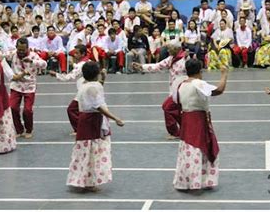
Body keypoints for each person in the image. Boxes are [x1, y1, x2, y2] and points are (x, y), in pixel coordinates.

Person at [66, 62, 124, 191]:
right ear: (96, 74)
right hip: (92, 120)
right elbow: (98, 106)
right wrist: (116, 118)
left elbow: (96, 89)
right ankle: (89, 182)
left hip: (85, 120)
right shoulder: (93, 87)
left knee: (84, 151)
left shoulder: (85, 85)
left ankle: (81, 179)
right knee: (93, 151)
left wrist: (103, 78)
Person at [172, 60, 228, 190]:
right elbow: (218, 90)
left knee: (188, 148)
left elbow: (175, 102)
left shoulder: (181, 84)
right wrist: (224, 74)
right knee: (199, 148)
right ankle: (199, 181)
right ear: (200, 71)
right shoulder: (198, 84)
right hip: (198, 120)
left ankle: (185, 181)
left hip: (186, 119)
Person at [133, 40, 187, 139]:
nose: (168, 50)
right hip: (174, 90)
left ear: (177, 49)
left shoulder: (185, 59)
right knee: (177, 110)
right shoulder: (171, 59)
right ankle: (185, 129)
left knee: (167, 107)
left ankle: (175, 132)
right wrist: (142, 67)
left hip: (184, 90)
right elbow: (158, 66)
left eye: (170, 48)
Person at [7, 37, 48, 139]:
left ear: (27, 48)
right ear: (16, 47)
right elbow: (2, 57)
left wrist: (32, 62)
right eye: (19, 49)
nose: (20, 52)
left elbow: (44, 65)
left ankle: (29, 129)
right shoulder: (13, 54)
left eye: (23, 50)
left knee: (27, 110)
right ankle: (19, 130)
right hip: (16, 85)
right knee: (12, 107)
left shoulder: (33, 55)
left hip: (29, 86)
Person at [49, 45, 90, 135]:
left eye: (77, 53)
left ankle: (79, 129)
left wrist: (56, 74)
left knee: (71, 109)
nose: (75, 55)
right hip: (90, 90)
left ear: (83, 54)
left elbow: (69, 77)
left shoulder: (80, 65)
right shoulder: (89, 61)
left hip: (83, 92)